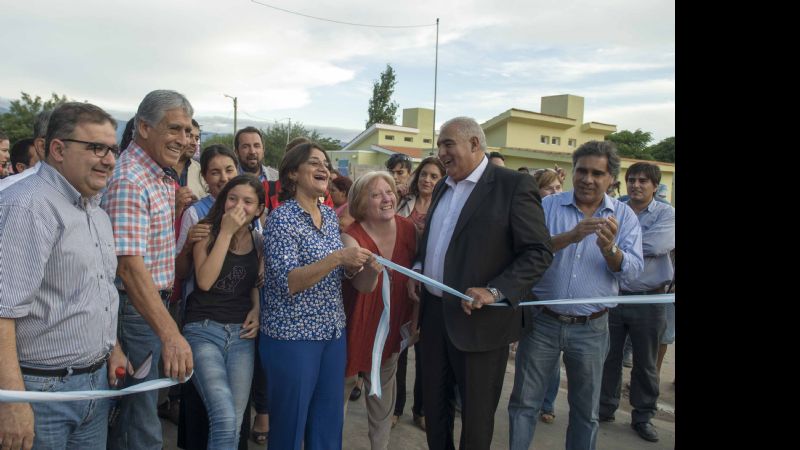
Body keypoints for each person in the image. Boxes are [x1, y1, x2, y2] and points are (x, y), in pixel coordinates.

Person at [408, 117, 553, 450]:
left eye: (448, 144)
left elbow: (538, 252)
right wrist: (419, 266)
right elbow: (435, 240)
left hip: (480, 324)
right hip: (434, 316)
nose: (440, 153)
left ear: (474, 144)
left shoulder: (512, 186)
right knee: (434, 406)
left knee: (475, 418)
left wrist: (495, 290)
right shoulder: (444, 185)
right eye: (439, 145)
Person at [0, 102, 129, 449]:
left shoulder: (95, 210)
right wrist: (12, 403)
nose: (109, 159)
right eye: (96, 148)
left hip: (94, 386)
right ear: (57, 149)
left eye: (112, 149)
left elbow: (96, 292)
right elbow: (2, 313)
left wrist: (111, 347)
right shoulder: (28, 207)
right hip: (42, 393)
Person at [508, 140, 644, 450]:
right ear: (572, 171)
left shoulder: (624, 218)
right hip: (543, 322)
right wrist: (570, 237)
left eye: (597, 173)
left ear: (611, 178)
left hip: (593, 328)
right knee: (524, 403)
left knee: (585, 411)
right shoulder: (547, 207)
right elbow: (525, 253)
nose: (587, 179)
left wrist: (610, 250)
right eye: (581, 171)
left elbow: (632, 272)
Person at [261, 142, 375, 450]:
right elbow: (289, 281)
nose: (323, 167)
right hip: (292, 336)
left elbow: (333, 275)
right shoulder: (282, 219)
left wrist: (359, 266)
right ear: (292, 174)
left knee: (327, 424)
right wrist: (339, 257)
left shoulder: (329, 216)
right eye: (314, 162)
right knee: (289, 427)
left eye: (325, 162)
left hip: (331, 334)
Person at [102, 89, 195, 450]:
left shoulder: (157, 175)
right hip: (136, 311)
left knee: (141, 412)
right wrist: (170, 334)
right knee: (137, 422)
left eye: (188, 131)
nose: (184, 140)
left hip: (148, 310)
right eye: (175, 129)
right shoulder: (131, 180)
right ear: (143, 127)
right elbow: (129, 268)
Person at [182, 175, 265, 449]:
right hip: (203, 330)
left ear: (259, 209)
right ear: (223, 200)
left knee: (235, 419)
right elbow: (204, 280)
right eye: (232, 198)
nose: (238, 205)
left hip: (241, 334)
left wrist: (256, 307)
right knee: (224, 416)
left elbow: (251, 283)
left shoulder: (258, 240)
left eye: (248, 201)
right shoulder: (205, 231)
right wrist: (227, 232)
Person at [340, 171, 417, 448]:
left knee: (383, 397)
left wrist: (415, 322)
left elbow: (418, 272)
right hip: (356, 325)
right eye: (376, 194)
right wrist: (372, 272)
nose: (387, 199)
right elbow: (361, 285)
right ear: (361, 202)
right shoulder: (351, 237)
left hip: (391, 324)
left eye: (389, 192)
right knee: (342, 391)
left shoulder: (408, 228)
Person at [599, 162, 674, 443]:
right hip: (614, 296)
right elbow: (599, 240)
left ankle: (643, 416)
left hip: (650, 299)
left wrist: (615, 244)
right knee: (609, 357)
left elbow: (656, 246)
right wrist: (612, 245)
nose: (636, 185)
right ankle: (605, 408)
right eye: (631, 180)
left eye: (643, 181)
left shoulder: (667, 214)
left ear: (655, 185)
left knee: (645, 363)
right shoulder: (615, 207)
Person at [392, 156, 445, 430]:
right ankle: (395, 407)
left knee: (426, 350)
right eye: (424, 174)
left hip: (429, 283)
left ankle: (421, 409)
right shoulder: (403, 202)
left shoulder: (445, 207)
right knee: (398, 347)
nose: (427, 180)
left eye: (434, 176)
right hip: (401, 280)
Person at [529, 167, 565, 425]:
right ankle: (527, 402)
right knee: (530, 358)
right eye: (548, 188)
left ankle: (547, 403)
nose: (553, 192)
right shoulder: (530, 214)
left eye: (557, 188)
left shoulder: (565, 214)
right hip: (531, 293)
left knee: (553, 360)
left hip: (554, 297)